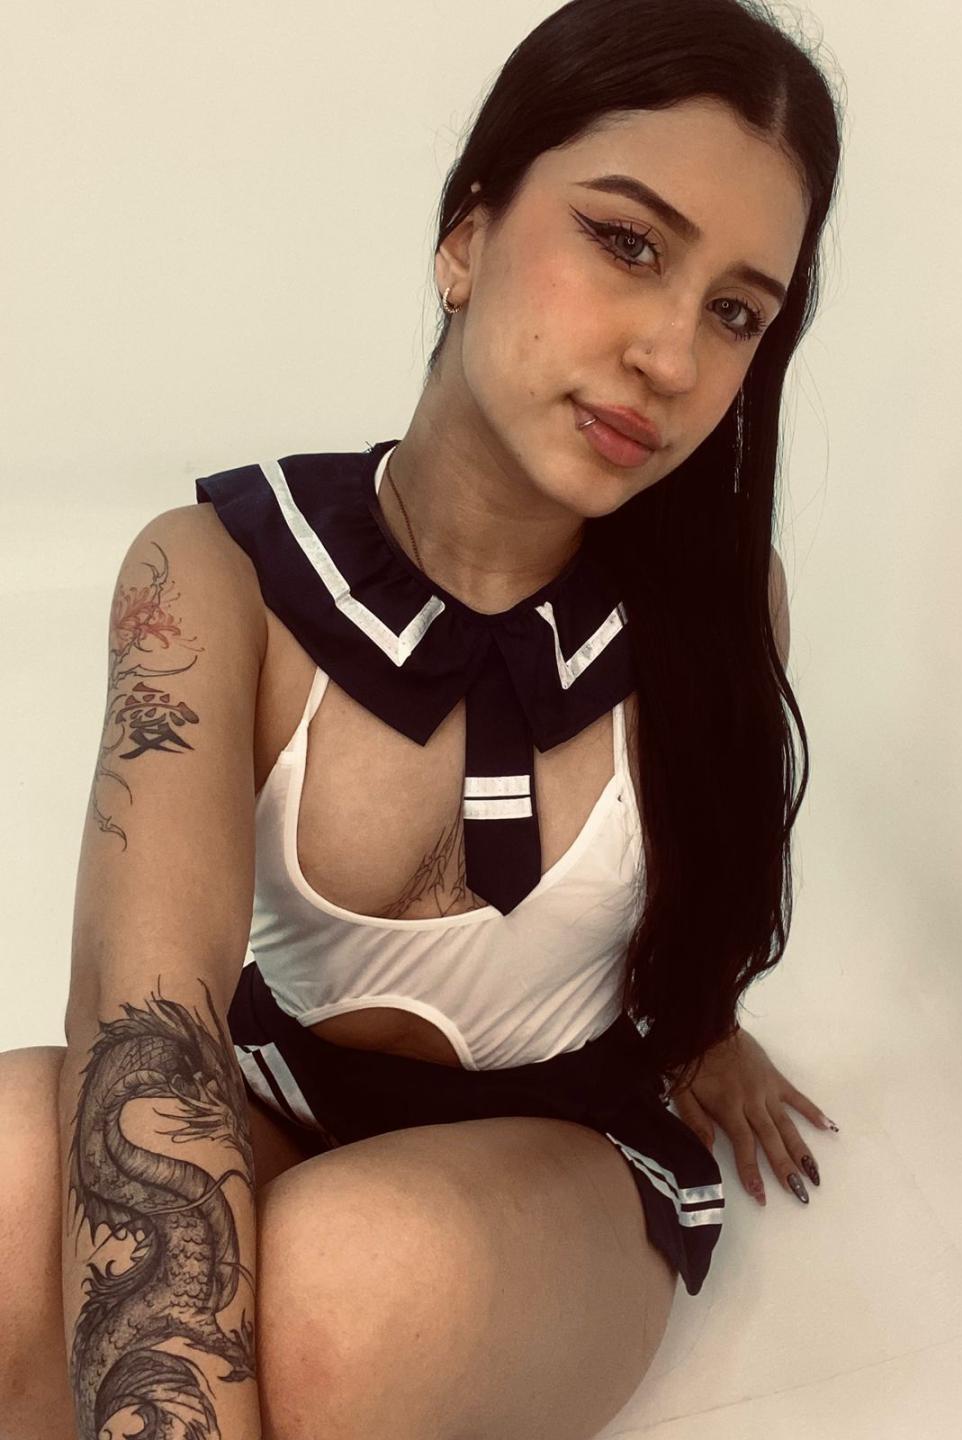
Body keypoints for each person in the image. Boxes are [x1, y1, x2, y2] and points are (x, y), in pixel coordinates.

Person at [0, 1, 845, 1436]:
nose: (670, 356)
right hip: (272, 1090)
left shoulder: (717, 606)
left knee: (343, 1294)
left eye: (736, 312)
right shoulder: (215, 575)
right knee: (33, 1167)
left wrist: (706, 1028)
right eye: (627, 242)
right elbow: (148, 1017)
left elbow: (714, 861)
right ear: (466, 235)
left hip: (559, 1150)